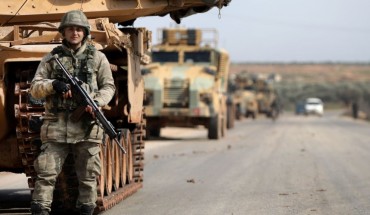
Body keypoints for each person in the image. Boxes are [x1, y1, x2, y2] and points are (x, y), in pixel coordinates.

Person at [29, 10, 115, 215]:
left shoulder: (98, 58)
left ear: (85, 32)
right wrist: (53, 85)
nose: (74, 33)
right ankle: (40, 210)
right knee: (46, 174)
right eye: (70, 29)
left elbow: (108, 87)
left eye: (78, 29)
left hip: (87, 127)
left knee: (88, 177)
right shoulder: (52, 58)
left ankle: (86, 210)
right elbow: (35, 88)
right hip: (56, 127)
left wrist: (95, 102)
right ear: (63, 32)